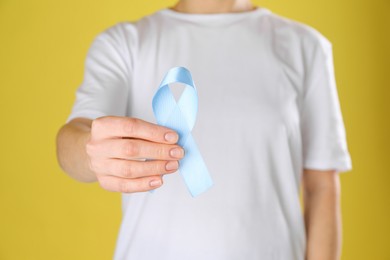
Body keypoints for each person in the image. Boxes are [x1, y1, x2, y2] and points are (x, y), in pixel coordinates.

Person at [56, 0, 352, 259]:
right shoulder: (123, 43)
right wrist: (89, 152)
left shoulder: (306, 47)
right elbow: (77, 134)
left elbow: (321, 185)